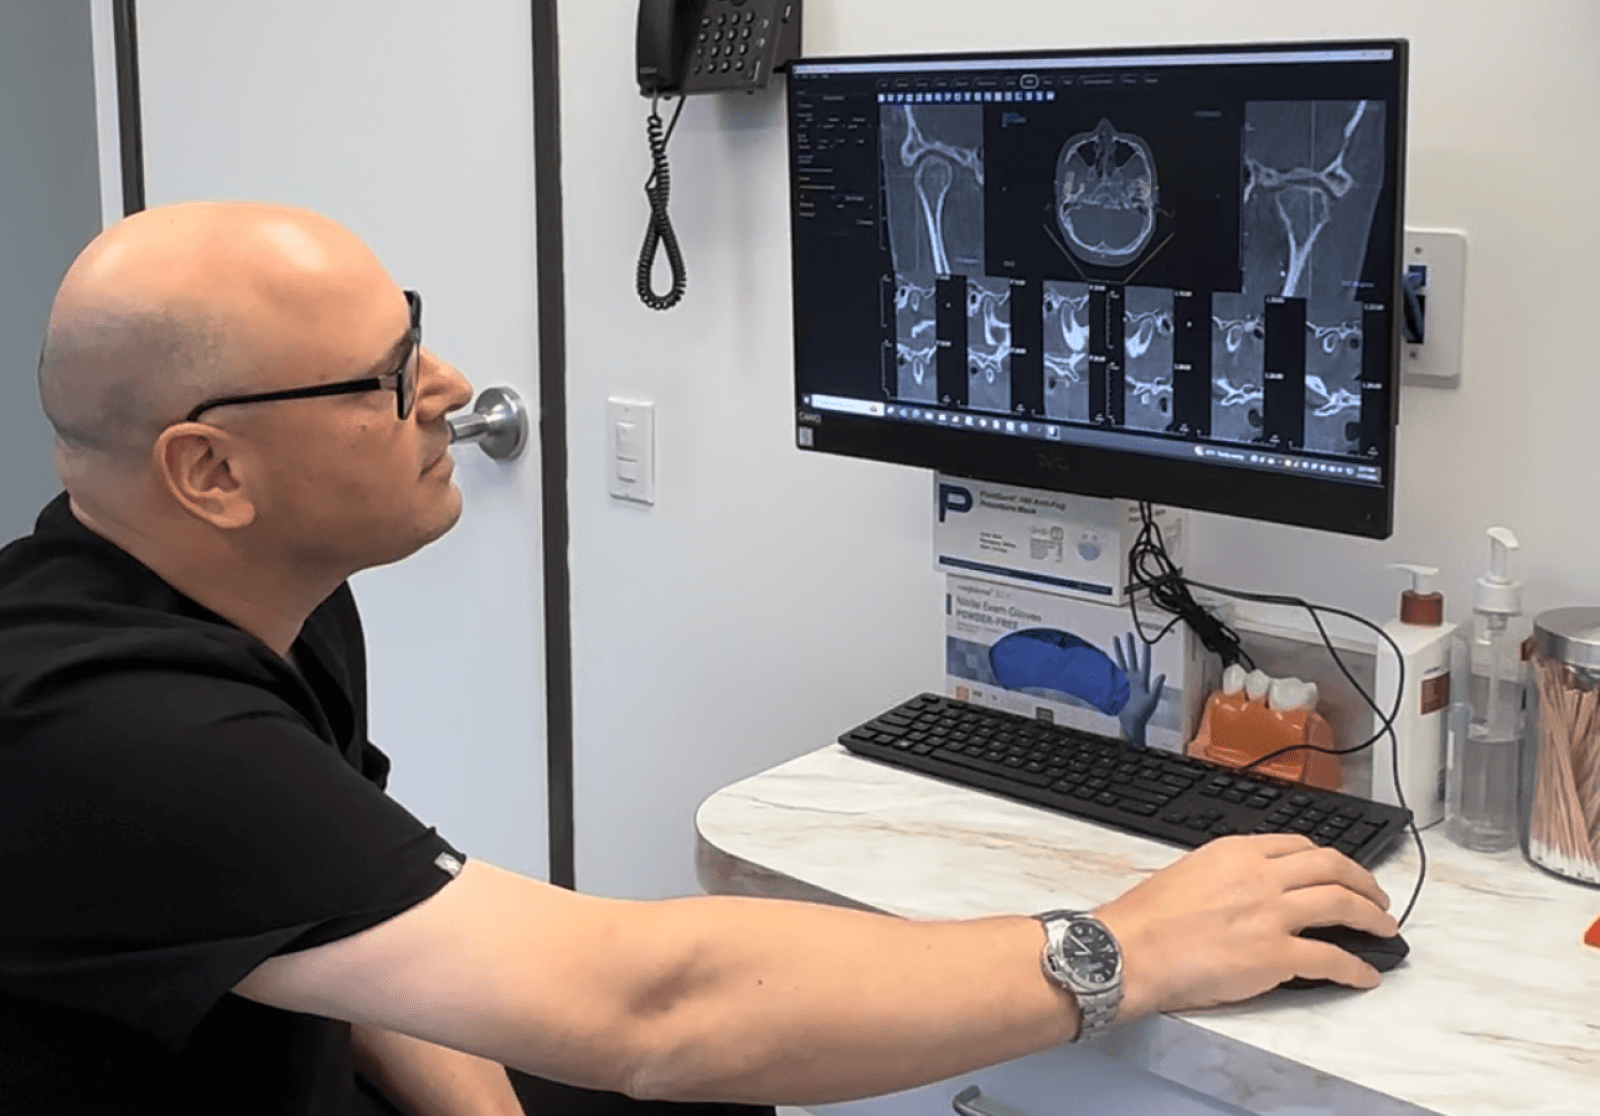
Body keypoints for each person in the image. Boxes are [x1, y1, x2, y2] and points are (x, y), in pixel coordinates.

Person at [0, 203, 1400, 1116]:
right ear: (212, 473)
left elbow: (355, 926)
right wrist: (1124, 949)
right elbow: (650, 1004)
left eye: (414, 336)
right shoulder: (109, 730)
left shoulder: (264, 600)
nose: (448, 388)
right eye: (385, 379)